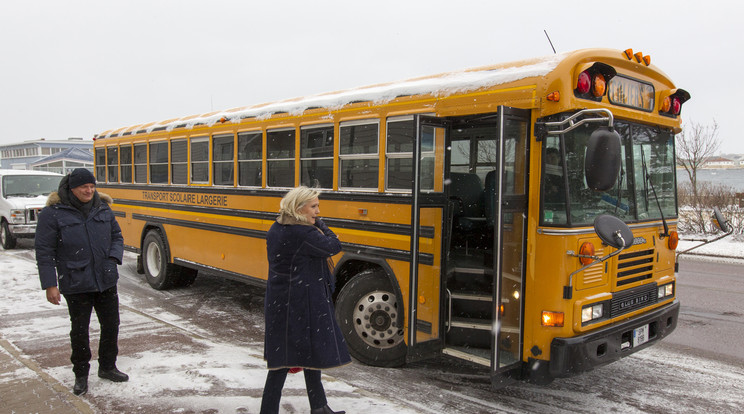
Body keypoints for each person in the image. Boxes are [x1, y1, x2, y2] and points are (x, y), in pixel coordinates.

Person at [35, 168, 128, 396]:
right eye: (84, 187)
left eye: (92, 186)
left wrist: (113, 258)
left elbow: (117, 236)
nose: (89, 190)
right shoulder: (53, 214)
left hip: (105, 279)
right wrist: (50, 284)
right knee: (79, 330)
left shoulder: (103, 208)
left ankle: (107, 367)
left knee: (111, 325)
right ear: (72, 188)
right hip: (75, 281)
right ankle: (81, 374)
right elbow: (44, 251)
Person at [260, 186, 350, 414]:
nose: (318, 212)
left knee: (299, 356)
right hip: (301, 304)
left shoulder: (278, 227)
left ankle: (319, 407)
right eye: (314, 207)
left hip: (283, 302)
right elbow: (334, 245)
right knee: (286, 362)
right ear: (299, 208)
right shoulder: (303, 233)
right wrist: (320, 226)